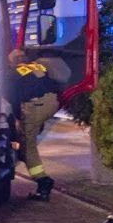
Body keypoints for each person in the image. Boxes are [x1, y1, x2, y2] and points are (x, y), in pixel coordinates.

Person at [9, 46, 70, 201]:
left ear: (13, 62)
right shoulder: (36, 66)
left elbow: (14, 100)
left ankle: (43, 182)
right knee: (29, 135)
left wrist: (17, 120)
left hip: (35, 105)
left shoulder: (13, 74)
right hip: (52, 101)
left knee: (27, 145)